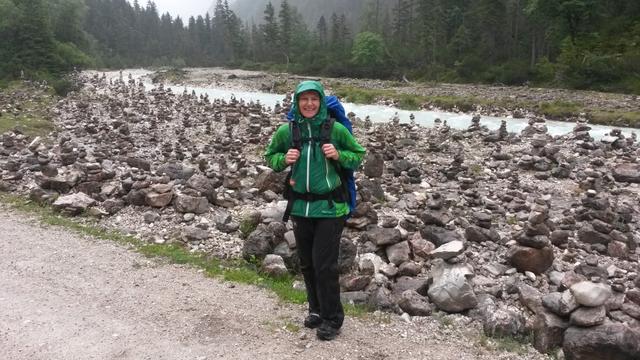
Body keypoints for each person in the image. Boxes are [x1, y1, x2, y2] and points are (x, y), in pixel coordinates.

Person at [264, 80, 365, 340]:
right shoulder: (288, 130)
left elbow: (358, 155)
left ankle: (333, 319)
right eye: (304, 99)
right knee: (307, 264)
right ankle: (316, 310)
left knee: (325, 266)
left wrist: (339, 155)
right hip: (300, 207)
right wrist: (282, 159)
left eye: (314, 99)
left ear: (321, 102)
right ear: (297, 102)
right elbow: (269, 156)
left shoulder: (336, 129)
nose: (309, 104)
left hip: (331, 208)